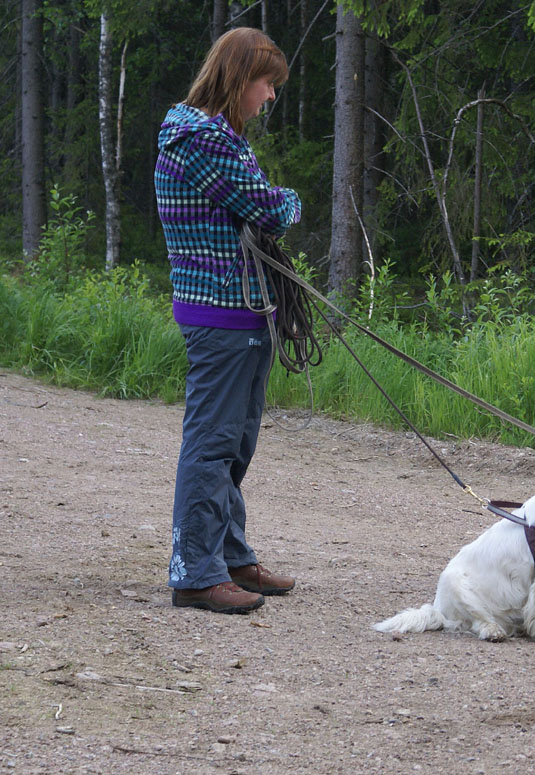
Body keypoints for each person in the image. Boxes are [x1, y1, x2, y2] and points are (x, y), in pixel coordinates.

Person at [154, 28, 301, 614]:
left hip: (241, 308)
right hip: (220, 312)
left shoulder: (216, 138)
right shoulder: (204, 141)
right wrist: (288, 199)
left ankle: (231, 555)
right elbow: (269, 209)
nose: (269, 97)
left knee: (234, 443)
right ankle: (195, 572)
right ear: (239, 78)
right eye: (267, 84)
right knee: (213, 444)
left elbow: (253, 208)